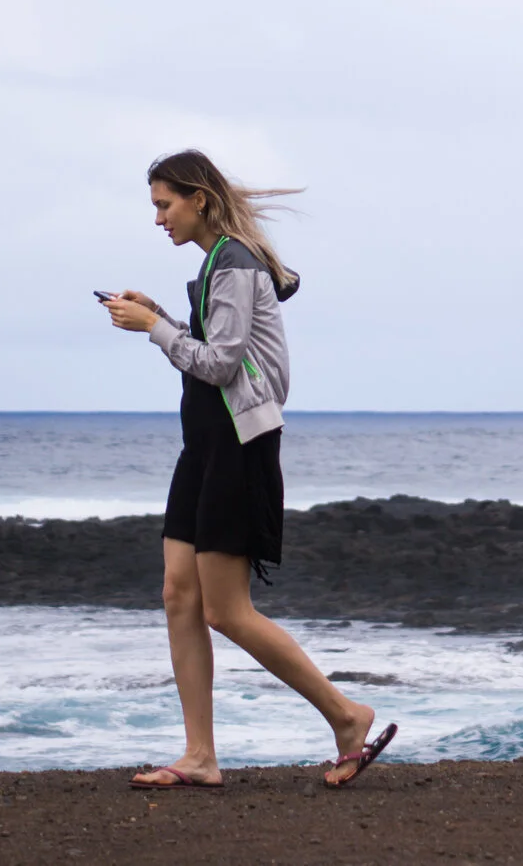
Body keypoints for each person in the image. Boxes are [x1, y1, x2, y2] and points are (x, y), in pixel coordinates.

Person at [101, 149, 395, 790]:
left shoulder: (233, 261)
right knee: (178, 593)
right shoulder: (215, 266)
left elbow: (222, 365)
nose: (158, 219)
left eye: (164, 204)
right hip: (203, 446)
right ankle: (200, 756)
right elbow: (213, 348)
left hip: (238, 445)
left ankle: (348, 715)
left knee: (226, 612)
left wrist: (154, 328)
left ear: (198, 199)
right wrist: (167, 317)